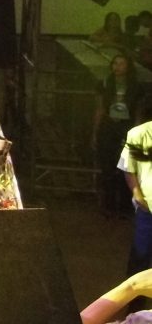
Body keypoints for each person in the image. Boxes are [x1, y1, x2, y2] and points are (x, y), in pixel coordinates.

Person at [96, 54, 146, 217]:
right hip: (109, 126)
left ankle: (125, 205)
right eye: (115, 63)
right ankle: (109, 204)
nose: (117, 67)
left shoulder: (136, 87)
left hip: (126, 126)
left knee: (127, 166)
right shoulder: (105, 83)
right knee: (108, 166)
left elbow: (138, 111)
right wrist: (96, 129)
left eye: (121, 64)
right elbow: (100, 107)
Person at [120, 120, 152, 305]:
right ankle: (133, 311)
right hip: (147, 210)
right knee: (139, 261)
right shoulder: (140, 133)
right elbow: (128, 167)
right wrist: (137, 193)